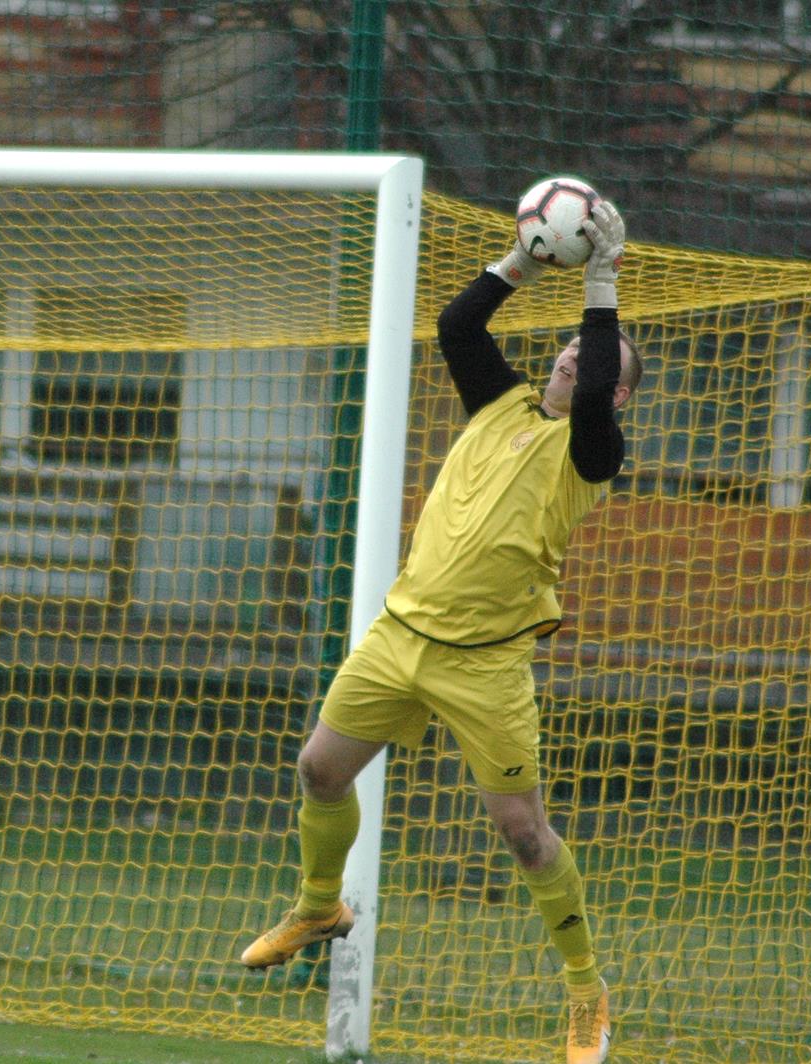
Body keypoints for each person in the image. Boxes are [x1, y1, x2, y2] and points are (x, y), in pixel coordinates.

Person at [239, 198, 641, 1064]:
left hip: (486, 666)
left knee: (524, 832)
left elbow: (602, 376)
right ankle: (319, 905)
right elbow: (459, 323)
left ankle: (586, 996)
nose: (573, 356)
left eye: (590, 358)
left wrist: (601, 280)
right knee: (317, 768)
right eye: (566, 350)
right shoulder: (500, 405)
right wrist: (525, 258)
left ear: (614, 391)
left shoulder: (590, 454)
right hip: (400, 635)